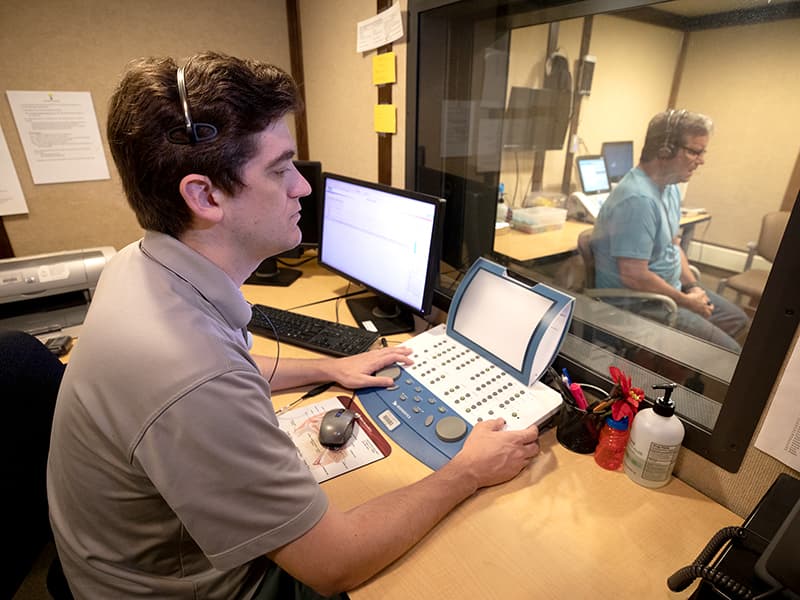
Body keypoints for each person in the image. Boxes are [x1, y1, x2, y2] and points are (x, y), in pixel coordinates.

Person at [46, 52, 541, 600]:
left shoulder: (136, 264)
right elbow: (334, 563)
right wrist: (466, 471)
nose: (303, 190)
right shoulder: (190, 376)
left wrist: (331, 365)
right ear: (204, 195)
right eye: (281, 170)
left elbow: (226, 365)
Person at [590, 109, 748, 352]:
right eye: (694, 151)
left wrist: (693, 287)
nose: (701, 160)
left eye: (702, 152)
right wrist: (687, 301)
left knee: (736, 320)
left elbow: (673, 245)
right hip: (639, 303)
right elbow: (634, 276)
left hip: (669, 292)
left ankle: (676, 363)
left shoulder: (670, 187)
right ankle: (658, 369)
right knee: (731, 352)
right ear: (664, 151)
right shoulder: (638, 200)